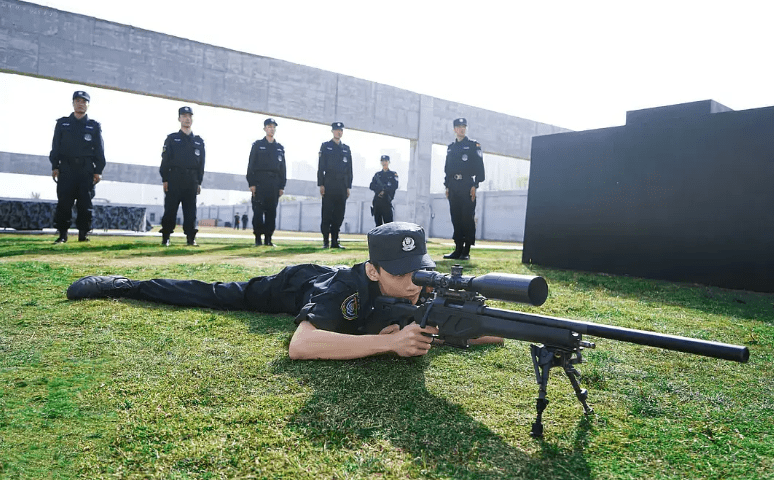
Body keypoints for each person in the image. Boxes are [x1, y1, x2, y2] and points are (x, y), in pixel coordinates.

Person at [66, 222, 503, 359]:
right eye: (403, 273)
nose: (416, 282)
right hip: (296, 285)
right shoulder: (344, 285)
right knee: (217, 294)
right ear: (374, 272)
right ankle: (128, 285)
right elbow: (301, 344)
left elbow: (492, 333)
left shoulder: (419, 290)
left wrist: (442, 330)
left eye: (421, 271)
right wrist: (384, 343)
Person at [49, 90, 106, 243]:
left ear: (88, 105)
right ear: (73, 103)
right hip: (66, 169)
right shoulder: (62, 124)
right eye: (78, 101)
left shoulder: (93, 126)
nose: (81, 104)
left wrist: (98, 170)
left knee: (85, 204)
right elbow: (55, 146)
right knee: (64, 203)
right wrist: (55, 166)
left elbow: (99, 150)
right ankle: (62, 235)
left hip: (85, 169)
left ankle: (83, 234)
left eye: (84, 102)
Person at [159, 106, 205, 247]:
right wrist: (165, 179)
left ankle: (191, 238)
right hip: (174, 178)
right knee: (170, 209)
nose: (187, 119)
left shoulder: (198, 141)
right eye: (184, 116)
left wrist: (199, 182)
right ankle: (166, 237)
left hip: (191, 180)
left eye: (189, 116)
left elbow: (201, 164)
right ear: (179, 118)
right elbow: (165, 160)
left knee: (190, 211)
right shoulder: (172, 139)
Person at [443, 118, 485, 260]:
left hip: (467, 184)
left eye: (464, 126)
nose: (462, 129)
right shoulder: (451, 148)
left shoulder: (473, 146)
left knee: (467, 217)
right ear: (454, 129)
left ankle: (466, 251)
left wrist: (475, 185)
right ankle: (457, 248)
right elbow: (447, 168)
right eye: (459, 127)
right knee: (456, 218)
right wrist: (447, 185)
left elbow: (480, 167)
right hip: (453, 185)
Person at [246, 118, 286, 246]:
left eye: (273, 127)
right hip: (259, 182)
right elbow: (251, 165)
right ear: (264, 128)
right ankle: (258, 238)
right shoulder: (257, 145)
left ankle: (268, 239)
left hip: (274, 184)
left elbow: (283, 169)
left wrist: (281, 186)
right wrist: (251, 183)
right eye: (269, 127)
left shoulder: (279, 148)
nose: (272, 129)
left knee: (271, 213)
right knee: (258, 212)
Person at [317, 122, 353, 249]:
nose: (339, 132)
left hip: (342, 185)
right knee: (327, 213)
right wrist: (321, 184)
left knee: (339, 214)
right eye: (337, 130)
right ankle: (326, 241)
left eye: (341, 130)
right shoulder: (326, 146)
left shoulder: (346, 148)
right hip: (329, 183)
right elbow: (321, 167)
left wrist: (348, 186)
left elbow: (349, 169)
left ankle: (335, 241)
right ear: (332, 131)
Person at [369, 155, 398, 226]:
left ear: (389, 162)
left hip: (386, 201)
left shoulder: (393, 174)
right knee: (378, 225)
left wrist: (385, 191)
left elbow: (395, 186)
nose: (384, 163)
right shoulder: (377, 175)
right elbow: (372, 186)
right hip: (377, 202)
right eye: (382, 161)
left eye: (386, 161)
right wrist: (379, 190)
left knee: (388, 225)